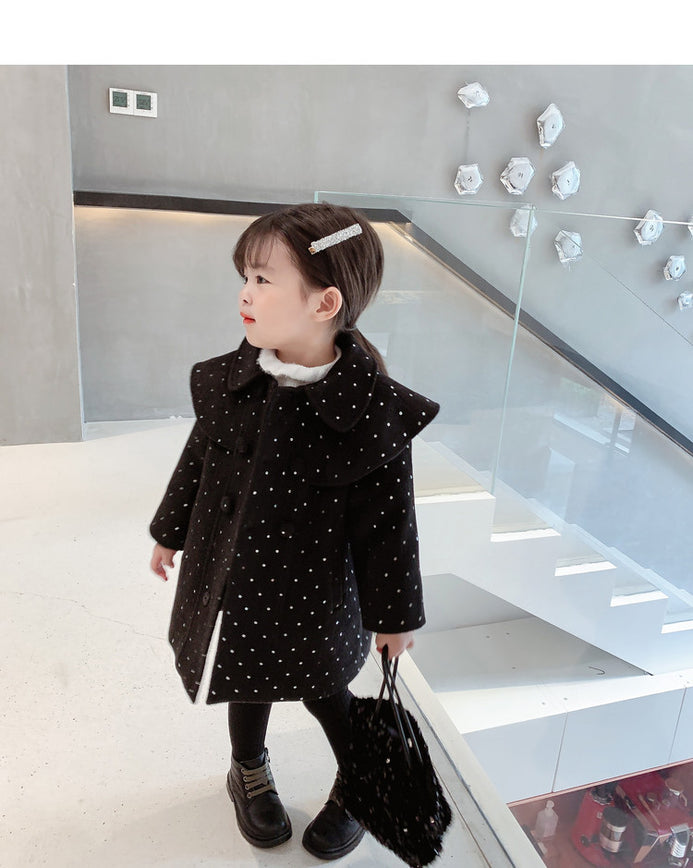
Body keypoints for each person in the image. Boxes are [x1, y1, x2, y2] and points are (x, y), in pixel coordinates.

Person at [149, 202, 439, 860]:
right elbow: (199, 459)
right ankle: (247, 769)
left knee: (324, 690)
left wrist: (394, 616)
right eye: (244, 278)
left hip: (317, 593)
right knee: (244, 676)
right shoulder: (230, 383)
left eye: (262, 280)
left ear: (324, 302)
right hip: (237, 577)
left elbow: (390, 528)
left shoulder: (371, 412)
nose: (244, 294)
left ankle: (363, 782)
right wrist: (171, 531)